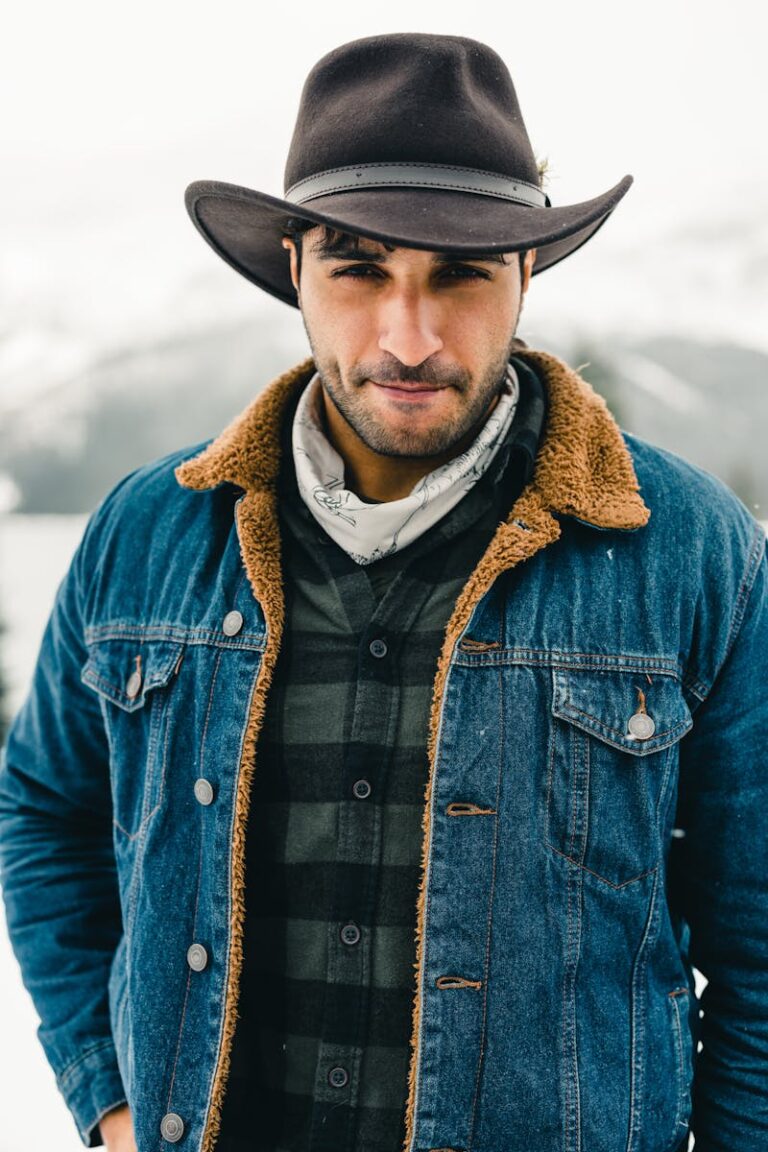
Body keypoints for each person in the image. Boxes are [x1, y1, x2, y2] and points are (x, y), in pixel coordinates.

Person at [0, 31, 766, 1152]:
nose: (409, 337)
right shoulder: (146, 533)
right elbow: (44, 811)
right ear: (294, 271)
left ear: (526, 275)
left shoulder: (692, 552)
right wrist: (110, 1100)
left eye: (459, 272)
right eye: (360, 268)